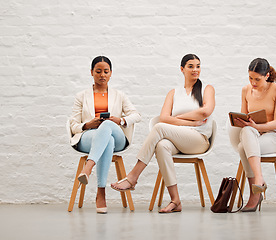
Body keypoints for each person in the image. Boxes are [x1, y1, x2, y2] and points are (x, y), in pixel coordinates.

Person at [111, 54, 215, 213]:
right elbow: (165, 118)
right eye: (191, 66)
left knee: (159, 128)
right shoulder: (173, 93)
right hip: (179, 140)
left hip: (198, 140)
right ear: (182, 69)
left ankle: (132, 177)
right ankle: (175, 201)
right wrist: (190, 121)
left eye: (198, 66)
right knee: (161, 145)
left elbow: (205, 112)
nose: (195, 70)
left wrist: (179, 118)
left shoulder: (207, 88)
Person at [69, 56, 141, 214]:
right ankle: (101, 193)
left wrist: (120, 120)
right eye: (98, 71)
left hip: (118, 137)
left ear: (111, 73)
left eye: (106, 71)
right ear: (91, 72)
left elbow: (137, 115)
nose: (102, 75)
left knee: (108, 125)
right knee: (106, 140)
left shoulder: (119, 95)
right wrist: (88, 125)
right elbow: (73, 125)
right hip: (89, 136)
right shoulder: (81, 96)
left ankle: (88, 168)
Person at [232, 58, 276, 212]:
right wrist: (242, 122)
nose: (253, 82)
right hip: (255, 135)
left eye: (257, 79)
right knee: (246, 132)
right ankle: (259, 182)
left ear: (267, 75)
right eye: (250, 78)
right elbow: (244, 115)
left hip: (275, 136)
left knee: (243, 148)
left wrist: (257, 126)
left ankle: (254, 192)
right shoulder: (245, 90)